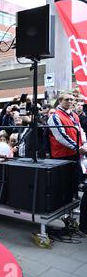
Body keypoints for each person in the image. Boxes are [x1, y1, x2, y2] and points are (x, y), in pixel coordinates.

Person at [48, 92, 87, 234]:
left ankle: (70, 213)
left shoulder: (74, 115)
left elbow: (81, 132)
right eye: (67, 99)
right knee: (63, 186)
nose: (70, 101)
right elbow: (60, 136)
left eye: (72, 99)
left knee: (73, 184)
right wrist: (78, 148)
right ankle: (64, 213)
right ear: (60, 100)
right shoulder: (55, 116)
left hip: (75, 154)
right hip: (62, 156)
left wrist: (85, 145)